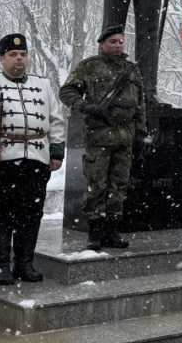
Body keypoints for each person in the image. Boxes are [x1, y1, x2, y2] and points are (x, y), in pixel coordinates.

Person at [0, 34, 66, 284]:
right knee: (0, 214)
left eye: (23, 54)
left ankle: (24, 263)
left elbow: (56, 120)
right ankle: (1, 265)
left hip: (36, 159)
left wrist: (55, 151)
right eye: (12, 54)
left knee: (31, 214)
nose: (19, 58)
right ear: (2, 59)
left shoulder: (42, 84)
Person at [59, 25, 147, 251]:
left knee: (119, 185)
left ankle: (112, 230)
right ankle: (95, 232)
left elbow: (140, 103)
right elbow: (67, 91)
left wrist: (141, 130)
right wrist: (85, 106)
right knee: (97, 184)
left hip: (124, 138)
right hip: (99, 137)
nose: (118, 45)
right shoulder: (89, 67)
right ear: (102, 44)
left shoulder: (132, 70)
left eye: (120, 41)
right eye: (113, 42)